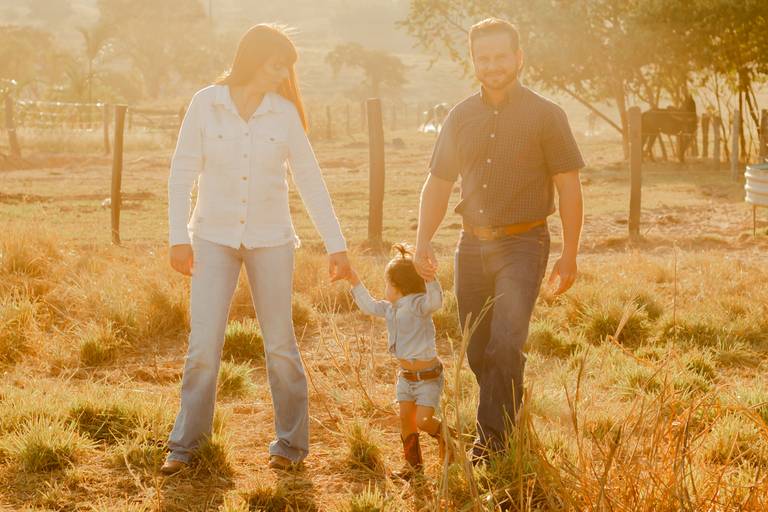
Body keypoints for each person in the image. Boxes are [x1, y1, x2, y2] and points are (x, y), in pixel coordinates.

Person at [162, 24, 351, 474]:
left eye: (287, 66)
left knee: (281, 344)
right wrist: (177, 236)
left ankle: (290, 445)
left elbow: (310, 181)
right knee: (203, 346)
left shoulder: (283, 113)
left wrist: (336, 245)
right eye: (276, 63)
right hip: (212, 237)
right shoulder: (206, 103)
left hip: (272, 240)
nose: (283, 72)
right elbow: (181, 172)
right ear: (253, 58)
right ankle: (186, 446)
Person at [413, 18, 585, 462]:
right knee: (477, 345)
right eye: (483, 58)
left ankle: (489, 448)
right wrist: (422, 241)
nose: (492, 66)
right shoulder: (460, 116)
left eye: (500, 57)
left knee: (506, 342)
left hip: (525, 243)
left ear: (518, 58)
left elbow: (568, 186)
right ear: (474, 62)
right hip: (471, 246)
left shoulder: (547, 115)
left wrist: (569, 254)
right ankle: (509, 416)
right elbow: (438, 184)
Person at [345, 244, 449, 479]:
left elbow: (435, 302)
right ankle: (413, 468)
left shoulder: (418, 305)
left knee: (423, 421)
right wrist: (354, 281)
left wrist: (431, 278)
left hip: (428, 378)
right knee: (406, 419)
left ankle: (448, 438)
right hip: (406, 377)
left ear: (400, 287)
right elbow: (369, 305)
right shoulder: (390, 309)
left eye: (388, 284)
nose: (385, 289)